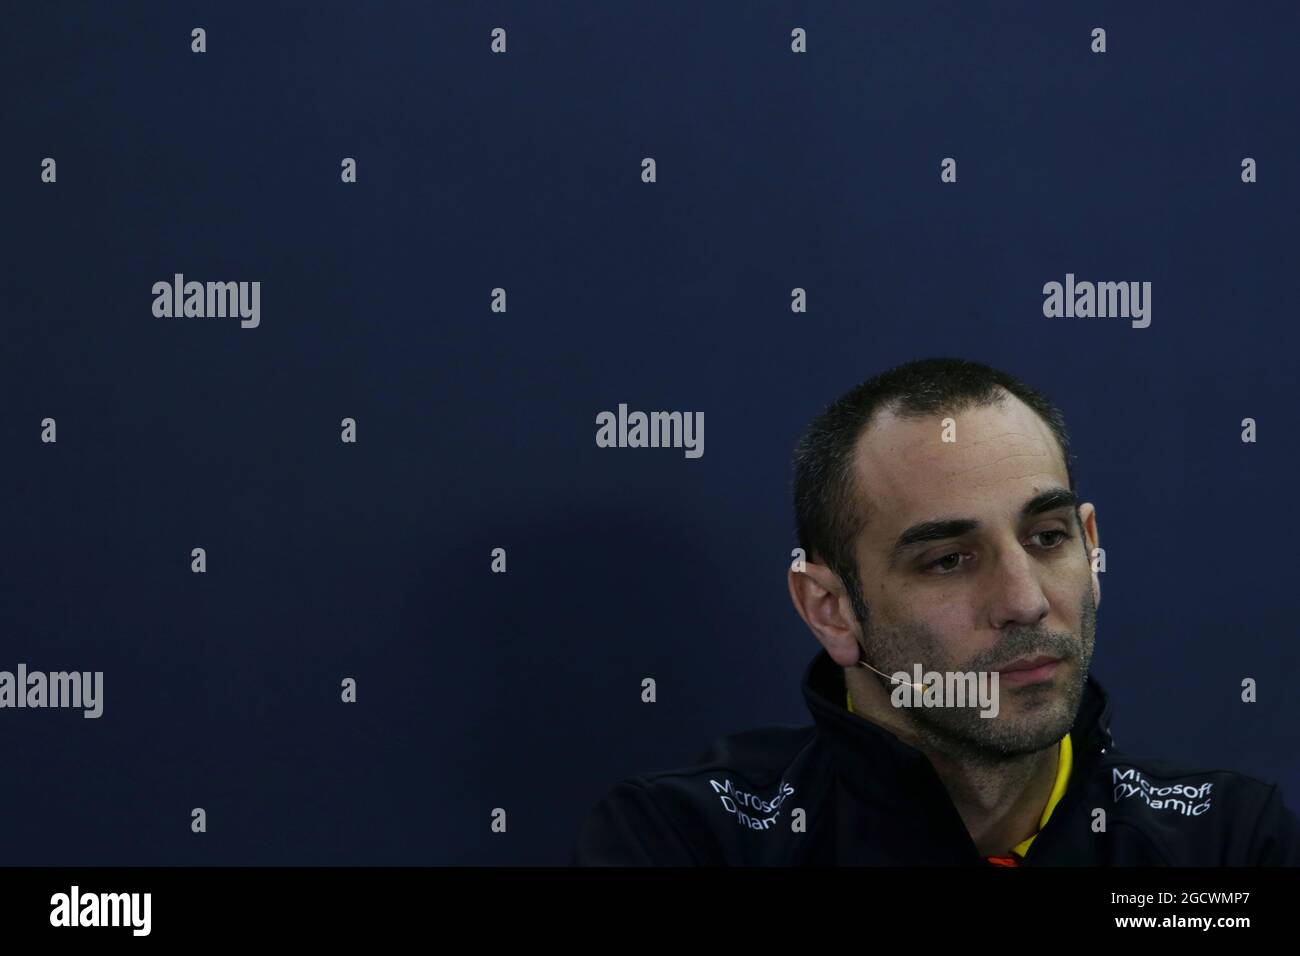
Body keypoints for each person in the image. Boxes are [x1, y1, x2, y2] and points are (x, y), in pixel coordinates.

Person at [572, 357, 1300, 865]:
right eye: (948, 560)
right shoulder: (687, 842)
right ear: (830, 610)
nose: (1025, 601)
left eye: (1047, 539)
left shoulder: (1225, 843)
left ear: (1091, 547)